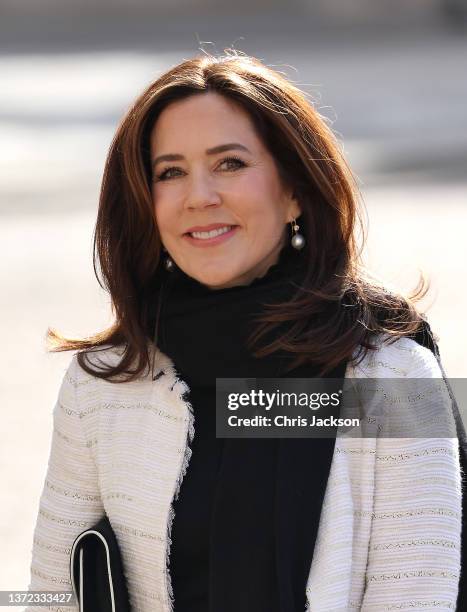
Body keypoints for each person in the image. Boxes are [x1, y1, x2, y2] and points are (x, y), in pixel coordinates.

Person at [25, 52, 465, 611]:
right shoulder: (104, 385)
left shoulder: (393, 379)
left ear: (295, 192)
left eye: (230, 164)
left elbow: (417, 599)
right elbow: (51, 595)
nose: (199, 196)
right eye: (170, 172)